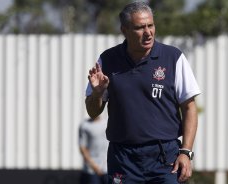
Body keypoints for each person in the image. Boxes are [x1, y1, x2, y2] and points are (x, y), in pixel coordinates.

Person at [85, 2, 201, 183]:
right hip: (124, 159)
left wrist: (186, 152)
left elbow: (190, 108)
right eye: (140, 28)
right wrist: (97, 93)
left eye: (150, 25)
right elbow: (93, 111)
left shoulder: (173, 58)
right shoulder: (107, 60)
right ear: (124, 30)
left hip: (165, 157)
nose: (148, 33)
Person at [78, 116, 109, 184]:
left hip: (107, 168)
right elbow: (82, 148)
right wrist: (94, 166)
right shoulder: (85, 125)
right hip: (91, 170)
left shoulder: (107, 123)